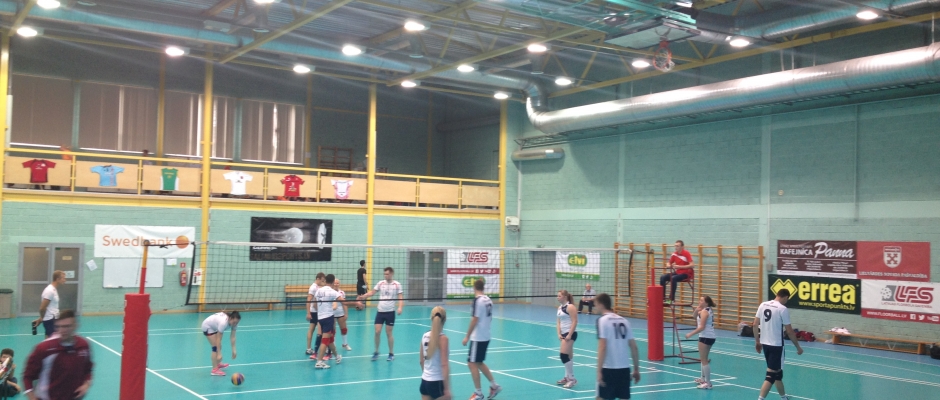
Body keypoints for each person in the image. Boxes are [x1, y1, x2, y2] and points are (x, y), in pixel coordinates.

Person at [22, 310, 93, 400]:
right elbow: (27, 376)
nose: (62, 330)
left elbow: (88, 369)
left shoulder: (83, 345)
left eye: (67, 326)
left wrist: (86, 384)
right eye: (59, 326)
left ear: (75, 326)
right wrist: (32, 397)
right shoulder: (44, 348)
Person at [753, 289, 803, 400]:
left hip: (765, 344)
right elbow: (789, 331)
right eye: (787, 300)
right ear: (785, 297)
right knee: (771, 375)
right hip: (776, 346)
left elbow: (755, 324)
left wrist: (757, 341)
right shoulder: (782, 309)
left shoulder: (763, 305)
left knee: (777, 373)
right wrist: (798, 347)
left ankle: (783, 397)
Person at [594, 293, 640, 400]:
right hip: (624, 370)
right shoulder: (625, 321)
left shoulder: (602, 321)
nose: (595, 306)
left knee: (601, 397)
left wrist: (599, 371)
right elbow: (634, 347)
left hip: (608, 369)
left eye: (595, 304)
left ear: (601, 304)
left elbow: (603, 346)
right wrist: (636, 369)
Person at [462, 280, 502, 400]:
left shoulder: (477, 301)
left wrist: (467, 336)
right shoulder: (488, 300)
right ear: (483, 288)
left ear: (474, 288)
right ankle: (494, 386)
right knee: (479, 362)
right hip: (486, 336)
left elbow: (475, 319)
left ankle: (478, 393)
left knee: (471, 363)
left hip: (478, 337)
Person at [358, 267, 403, 361]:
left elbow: (400, 297)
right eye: (385, 274)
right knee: (377, 331)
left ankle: (391, 353)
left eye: (387, 274)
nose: (385, 275)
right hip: (380, 311)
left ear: (391, 274)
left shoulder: (397, 284)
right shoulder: (381, 283)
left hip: (390, 312)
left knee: (388, 333)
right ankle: (376, 352)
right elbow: (372, 292)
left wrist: (400, 307)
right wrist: (363, 297)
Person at [685, 296, 717, 389]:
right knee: (703, 359)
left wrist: (690, 334)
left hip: (706, 336)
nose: (699, 301)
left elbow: (702, 327)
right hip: (708, 336)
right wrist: (696, 310)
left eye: (701, 300)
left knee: (704, 360)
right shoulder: (705, 310)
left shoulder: (704, 312)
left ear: (706, 303)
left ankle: (708, 383)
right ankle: (703, 379)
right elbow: (694, 316)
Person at [420, 306, 451, 400]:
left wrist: (427, 375)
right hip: (437, 382)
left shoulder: (424, 336)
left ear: (431, 318)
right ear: (444, 320)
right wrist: (446, 389)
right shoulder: (443, 339)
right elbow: (444, 364)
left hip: (425, 382)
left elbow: (421, 361)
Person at [313, 274, 342, 369]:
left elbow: (314, 305)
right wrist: (357, 303)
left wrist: (321, 311)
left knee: (330, 339)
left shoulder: (318, 290)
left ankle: (337, 356)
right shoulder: (332, 292)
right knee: (325, 340)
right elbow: (344, 301)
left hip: (320, 318)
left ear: (325, 280)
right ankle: (319, 361)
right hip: (328, 318)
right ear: (333, 282)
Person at [201, 311, 240, 376]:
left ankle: (218, 364)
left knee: (219, 346)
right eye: (234, 322)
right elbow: (218, 339)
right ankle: (214, 370)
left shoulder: (234, 323)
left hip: (214, 326)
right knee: (215, 347)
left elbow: (233, 337)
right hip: (207, 326)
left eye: (237, 322)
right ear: (230, 318)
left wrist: (234, 350)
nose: (235, 324)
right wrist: (219, 354)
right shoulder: (223, 323)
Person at [555, 290, 579, 388]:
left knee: (563, 356)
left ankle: (572, 379)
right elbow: (558, 322)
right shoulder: (560, 308)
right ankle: (566, 377)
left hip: (570, 334)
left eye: (559, 296)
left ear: (565, 297)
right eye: (557, 296)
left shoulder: (570, 307)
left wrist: (569, 334)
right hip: (563, 334)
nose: (557, 297)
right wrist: (559, 333)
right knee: (568, 356)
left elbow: (575, 321)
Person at [659, 240, 695, 305]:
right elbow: (668, 263)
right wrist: (669, 265)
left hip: (685, 274)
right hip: (677, 272)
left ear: (682, 247)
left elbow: (692, 265)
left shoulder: (686, 253)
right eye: (675, 246)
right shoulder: (674, 254)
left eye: (677, 246)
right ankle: (663, 298)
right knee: (662, 277)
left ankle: (671, 300)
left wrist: (679, 266)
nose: (676, 247)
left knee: (673, 278)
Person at [32, 270, 65, 338]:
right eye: (63, 278)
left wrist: (40, 319)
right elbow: (42, 308)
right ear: (57, 279)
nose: (65, 280)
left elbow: (49, 307)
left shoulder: (54, 289)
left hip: (53, 318)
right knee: (52, 340)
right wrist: (42, 318)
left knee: (49, 339)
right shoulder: (49, 291)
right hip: (50, 320)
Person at [306, 273, 326, 357]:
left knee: (317, 330)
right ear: (318, 279)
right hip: (314, 312)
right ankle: (309, 348)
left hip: (318, 311)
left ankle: (317, 348)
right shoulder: (313, 287)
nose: (323, 282)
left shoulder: (318, 287)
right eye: (322, 280)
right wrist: (308, 313)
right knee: (316, 330)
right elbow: (308, 300)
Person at [332, 279, 353, 351]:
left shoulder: (342, 292)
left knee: (344, 329)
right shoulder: (330, 292)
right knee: (332, 331)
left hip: (340, 313)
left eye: (337, 283)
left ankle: (345, 344)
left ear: (339, 284)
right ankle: (333, 346)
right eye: (335, 283)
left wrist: (346, 314)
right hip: (332, 314)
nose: (336, 284)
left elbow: (344, 304)